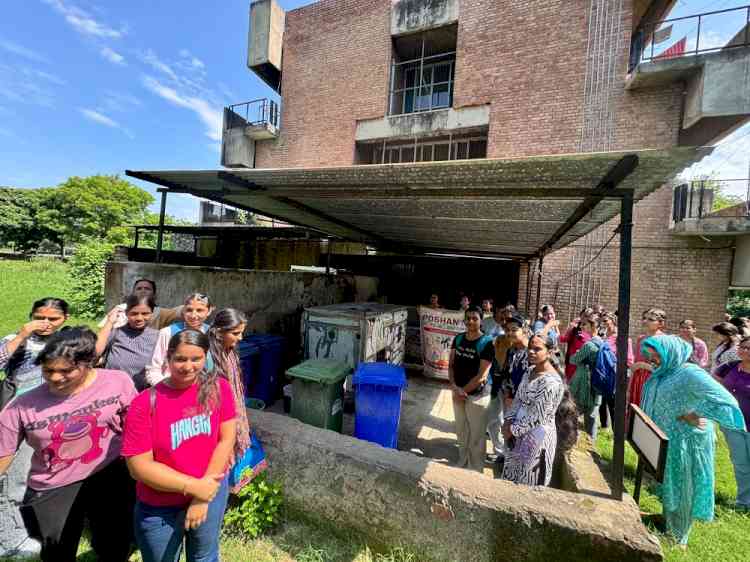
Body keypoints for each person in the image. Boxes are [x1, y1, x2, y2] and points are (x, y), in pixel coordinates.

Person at [0, 327, 137, 562]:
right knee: (57, 552)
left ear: (88, 363)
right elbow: (3, 453)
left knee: (115, 544)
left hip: (110, 474)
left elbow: (135, 425)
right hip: (53, 486)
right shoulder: (22, 406)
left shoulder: (117, 382)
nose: (55, 377)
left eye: (66, 371)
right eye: (48, 370)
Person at [122, 329, 237, 562]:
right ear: (168, 358)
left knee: (205, 556)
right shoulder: (144, 403)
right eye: (180, 359)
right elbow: (139, 467)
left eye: (196, 359)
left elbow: (226, 440)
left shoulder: (219, 388)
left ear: (206, 357)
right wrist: (194, 488)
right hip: (160, 505)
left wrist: (202, 497)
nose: (188, 366)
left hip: (211, 490)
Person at [639, 335, 745, 546]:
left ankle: (678, 540)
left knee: (684, 486)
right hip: (669, 439)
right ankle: (670, 523)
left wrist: (695, 412)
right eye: (651, 354)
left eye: (657, 354)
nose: (653, 358)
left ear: (672, 353)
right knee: (671, 483)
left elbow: (727, 400)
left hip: (687, 443)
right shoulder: (665, 372)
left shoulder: (689, 373)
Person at [0, 297, 69, 559]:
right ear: (31, 315)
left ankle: (31, 528)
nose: (46, 323)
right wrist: (21, 335)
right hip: (17, 422)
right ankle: (9, 539)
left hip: (54, 423)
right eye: (40, 317)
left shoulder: (65, 343)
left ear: (65, 319)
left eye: (54, 319)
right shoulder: (16, 340)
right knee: (13, 480)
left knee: (40, 478)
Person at [501, 334, 566, 486]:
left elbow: (537, 417)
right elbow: (518, 399)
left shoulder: (551, 382)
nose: (531, 352)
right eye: (530, 348)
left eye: (537, 349)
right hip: (516, 434)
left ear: (550, 352)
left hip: (537, 438)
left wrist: (512, 430)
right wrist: (508, 420)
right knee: (511, 479)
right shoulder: (530, 371)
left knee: (529, 482)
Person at [208, 309, 252, 492]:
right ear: (219, 332)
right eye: (235, 333)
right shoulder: (208, 358)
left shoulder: (229, 352)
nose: (240, 338)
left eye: (242, 332)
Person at [449, 306, 493, 472]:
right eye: (468, 318)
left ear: (481, 320)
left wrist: (463, 391)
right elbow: (451, 365)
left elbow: (482, 375)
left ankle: (476, 469)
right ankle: (462, 461)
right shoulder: (459, 338)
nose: (471, 321)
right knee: (461, 431)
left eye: (475, 318)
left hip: (477, 396)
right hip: (458, 393)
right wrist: (454, 387)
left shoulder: (487, 342)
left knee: (477, 435)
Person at [145, 293, 215, 386]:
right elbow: (154, 368)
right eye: (189, 310)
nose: (193, 315)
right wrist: (166, 388)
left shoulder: (212, 334)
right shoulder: (168, 333)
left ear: (209, 311)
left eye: (199, 310)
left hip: (205, 389)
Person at [97, 294, 160, 391]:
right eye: (134, 313)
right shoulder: (116, 333)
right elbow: (95, 351)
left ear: (152, 313)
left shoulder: (158, 336)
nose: (139, 318)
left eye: (145, 313)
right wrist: (110, 322)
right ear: (126, 313)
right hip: (112, 393)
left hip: (142, 394)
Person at [719, 336, 750, 510]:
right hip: (733, 423)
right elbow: (713, 381)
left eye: (749, 348)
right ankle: (743, 501)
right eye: (743, 347)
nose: (745, 350)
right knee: (740, 463)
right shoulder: (730, 366)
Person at [99, 278, 182, 331]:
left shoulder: (160, 313)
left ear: (154, 294)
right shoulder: (120, 309)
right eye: (139, 288)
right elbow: (104, 331)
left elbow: (180, 310)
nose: (143, 291)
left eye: (147, 289)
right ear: (133, 293)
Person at [570, 316, 605, 439]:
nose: (582, 327)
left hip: (584, 385)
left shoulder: (589, 345)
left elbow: (573, 360)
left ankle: (569, 440)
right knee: (592, 419)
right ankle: (592, 449)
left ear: (592, 327)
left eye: (585, 325)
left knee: (571, 413)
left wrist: (578, 353)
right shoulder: (602, 343)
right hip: (597, 385)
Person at [627, 308, 666, 415]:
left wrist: (642, 365)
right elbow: (635, 363)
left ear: (660, 323)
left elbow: (665, 366)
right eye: (645, 318)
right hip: (637, 379)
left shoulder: (665, 340)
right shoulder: (641, 338)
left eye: (650, 319)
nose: (645, 321)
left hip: (653, 380)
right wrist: (629, 387)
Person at [599, 311, 634, 429]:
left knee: (613, 403)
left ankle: (617, 431)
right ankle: (604, 426)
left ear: (613, 320)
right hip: (602, 372)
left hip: (614, 374)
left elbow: (629, 359)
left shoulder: (621, 336)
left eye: (605, 321)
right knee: (602, 400)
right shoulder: (602, 334)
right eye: (601, 321)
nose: (603, 323)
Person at [560, 307, 595, 383]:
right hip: (572, 364)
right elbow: (563, 339)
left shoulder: (594, 330)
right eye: (584, 315)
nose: (586, 318)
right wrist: (569, 328)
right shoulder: (575, 329)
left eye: (588, 316)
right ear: (580, 316)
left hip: (585, 366)